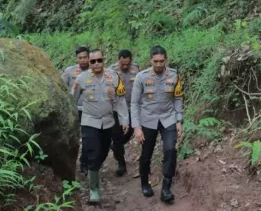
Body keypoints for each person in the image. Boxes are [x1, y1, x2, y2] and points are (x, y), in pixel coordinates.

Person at [72, 49, 129, 204]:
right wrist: (73, 120)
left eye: (99, 60)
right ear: (89, 63)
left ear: (104, 60)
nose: (96, 64)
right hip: (89, 121)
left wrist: (124, 120)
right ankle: (94, 190)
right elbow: (73, 99)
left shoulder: (114, 77)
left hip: (108, 121)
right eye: (93, 61)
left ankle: (94, 168)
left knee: (103, 152)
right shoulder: (81, 79)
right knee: (93, 152)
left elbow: (121, 100)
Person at [131, 45, 184, 204]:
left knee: (170, 149)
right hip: (148, 119)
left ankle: (166, 188)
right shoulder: (141, 77)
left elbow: (178, 98)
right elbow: (134, 104)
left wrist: (179, 120)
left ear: (165, 60)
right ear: (151, 60)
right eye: (156, 61)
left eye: (162, 61)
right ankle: (145, 183)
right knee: (146, 153)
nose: (159, 64)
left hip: (168, 118)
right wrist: (137, 127)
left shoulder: (174, 75)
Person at [107, 49, 139, 177]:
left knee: (130, 131)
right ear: (118, 60)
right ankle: (121, 163)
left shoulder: (136, 69)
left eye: (127, 64)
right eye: (122, 64)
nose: (125, 66)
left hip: (131, 107)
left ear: (131, 61)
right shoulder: (110, 71)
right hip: (116, 109)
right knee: (117, 135)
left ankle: (116, 146)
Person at [61, 46, 89, 175]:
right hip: (73, 110)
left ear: (89, 58)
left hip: (90, 110)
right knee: (74, 137)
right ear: (76, 58)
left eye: (85, 57)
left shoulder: (94, 71)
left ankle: (84, 163)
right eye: (80, 58)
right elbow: (61, 87)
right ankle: (70, 164)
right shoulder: (69, 72)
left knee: (87, 137)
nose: (83, 60)